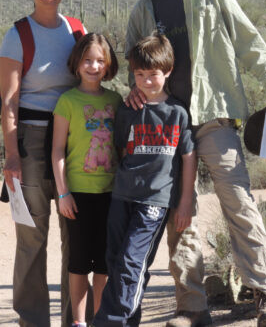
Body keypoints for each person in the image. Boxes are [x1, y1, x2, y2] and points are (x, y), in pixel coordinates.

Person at [124, 0, 266, 327]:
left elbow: (248, 39)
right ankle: (191, 307)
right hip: (167, 124)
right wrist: (130, 91)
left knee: (238, 201)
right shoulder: (140, 8)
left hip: (214, 113)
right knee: (180, 213)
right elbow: (132, 62)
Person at [0, 0, 88, 327]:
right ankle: (32, 321)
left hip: (74, 142)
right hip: (31, 142)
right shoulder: (18, 34)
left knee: (76, 238)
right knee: (32, 238)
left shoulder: (78, 31)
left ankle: (75, 320)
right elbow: (9, 101)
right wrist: (12, 156)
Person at [93, 34, 197, 327]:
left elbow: (188, 156)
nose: (146, 81)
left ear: (167, 72)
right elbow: (122, 149)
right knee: (115, 260)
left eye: (153, 75)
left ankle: (110, 320)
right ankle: (128, 320)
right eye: (140, 75)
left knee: (132, 261)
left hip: (155, 200)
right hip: (123, 194)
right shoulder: (129, 109)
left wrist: (185, 200)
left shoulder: (177, 112)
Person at [51, 33, 122, 327]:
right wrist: (63, 193)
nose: (93, 66)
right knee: (79, 263)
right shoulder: (67, 101)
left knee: (104, 264)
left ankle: (100, 320)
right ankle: (79, 322)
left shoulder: (116, 100)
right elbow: (57, 150)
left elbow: (122, 148)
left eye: (100, 61)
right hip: (77, 194)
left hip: (111, 194)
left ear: (108, 66)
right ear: (77, 63)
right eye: (87, 60)